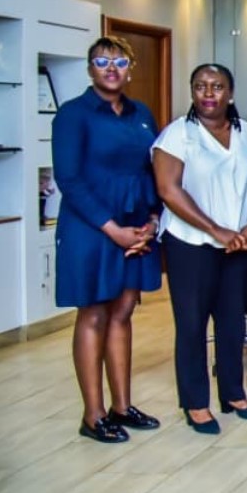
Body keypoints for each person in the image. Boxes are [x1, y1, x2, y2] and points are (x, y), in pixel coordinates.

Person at [52, 35, 162, 443]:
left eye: (119, 62)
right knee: (94, 313)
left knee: (124, 310)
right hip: (92, 227)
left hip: (136, 226)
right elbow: (69, 179)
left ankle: (121, 405)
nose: (111, 69)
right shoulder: (73, 115)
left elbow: (151, 169)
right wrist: (112, 229)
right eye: (102, 61)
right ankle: (93, 414)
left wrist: (152, 219)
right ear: (89, 68)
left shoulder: (141, 113)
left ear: (130, 69)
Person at [153, 63, 247, 435]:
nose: (208, 93)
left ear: (230, 93)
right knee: (192, 323)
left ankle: (233, 393)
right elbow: (169, 190)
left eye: (217, 87)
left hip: (242, 245)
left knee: (233, 319)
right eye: (200, 86)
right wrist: (216, 229)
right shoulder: (177, 135)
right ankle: (196, 403)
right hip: (192, 244)